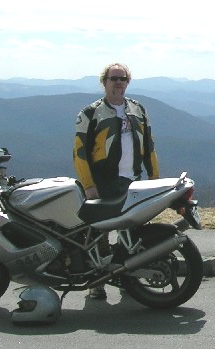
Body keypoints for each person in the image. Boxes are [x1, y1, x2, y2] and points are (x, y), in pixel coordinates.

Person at [73, 62, 160, 299]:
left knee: (133, 232)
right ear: (104, 82)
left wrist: (154, 180)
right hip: (103, 183)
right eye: (114, 78)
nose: (118, 83)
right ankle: (97, 282)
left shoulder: (138, 109)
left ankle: (128, 280)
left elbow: (149, 147)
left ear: (127, 82)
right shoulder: (90, 113)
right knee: (99, 234)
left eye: (123, 79)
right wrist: (89, 186)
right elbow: (79, 152)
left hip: (133, 181)